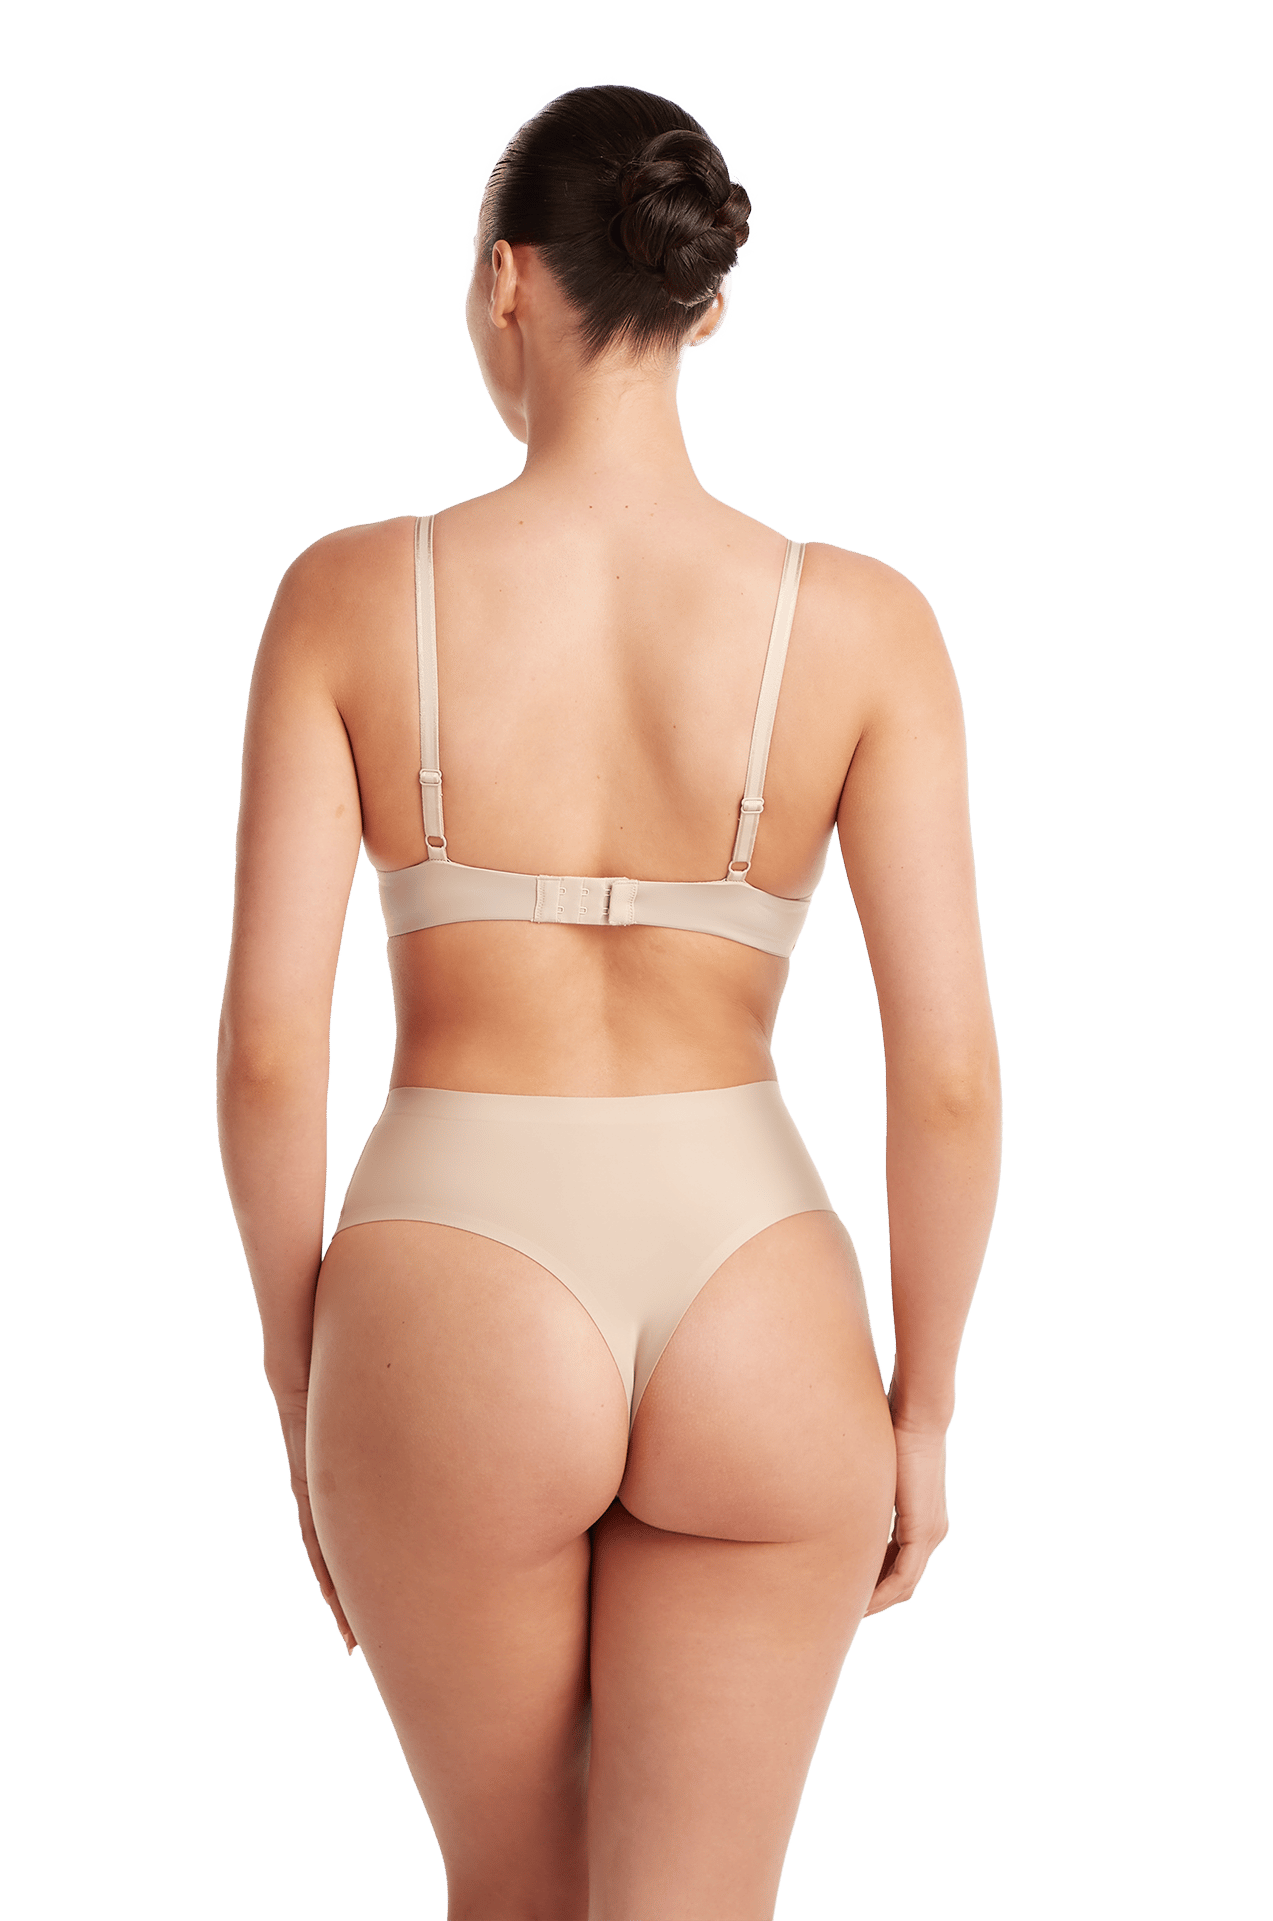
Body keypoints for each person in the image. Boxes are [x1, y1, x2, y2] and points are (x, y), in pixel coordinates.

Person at [217, 78, 1002, 1921]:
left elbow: (266, 1051)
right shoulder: (863, 622)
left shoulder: (349, 596)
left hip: (451, 1277)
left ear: (505, 282)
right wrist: (920, 1413)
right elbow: (950, 1077)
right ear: (703, 301)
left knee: (511, 1886)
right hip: (755, 1282)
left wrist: (299, 1374)